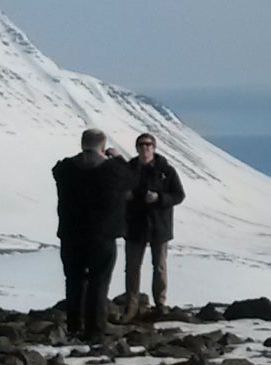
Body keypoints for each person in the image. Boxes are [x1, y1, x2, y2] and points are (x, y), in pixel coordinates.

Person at [52, 129, 135, 342]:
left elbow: (57, 169)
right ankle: (94, 330)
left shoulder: (66, 169)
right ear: (103, 145)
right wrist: (117, 159)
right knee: (99, 281)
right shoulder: (113, 170)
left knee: (74, 281)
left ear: (82, 144)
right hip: (102, 235)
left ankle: (73, 327)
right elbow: (133, 180)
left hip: (71, 234)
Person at [123, 130, 185, 317]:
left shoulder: (166, 170)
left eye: (148, 145)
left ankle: (160, 303)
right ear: (136, 147)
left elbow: (179, 195)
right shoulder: (129, 169)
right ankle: (131, 305)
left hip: (159, 225)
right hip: (135, 225)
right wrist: (127, 196)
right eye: (141, 145)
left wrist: (160, 198)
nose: (144, 148)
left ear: (154, 147)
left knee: (159, 266)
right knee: (132, 266)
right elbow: (117, 190)